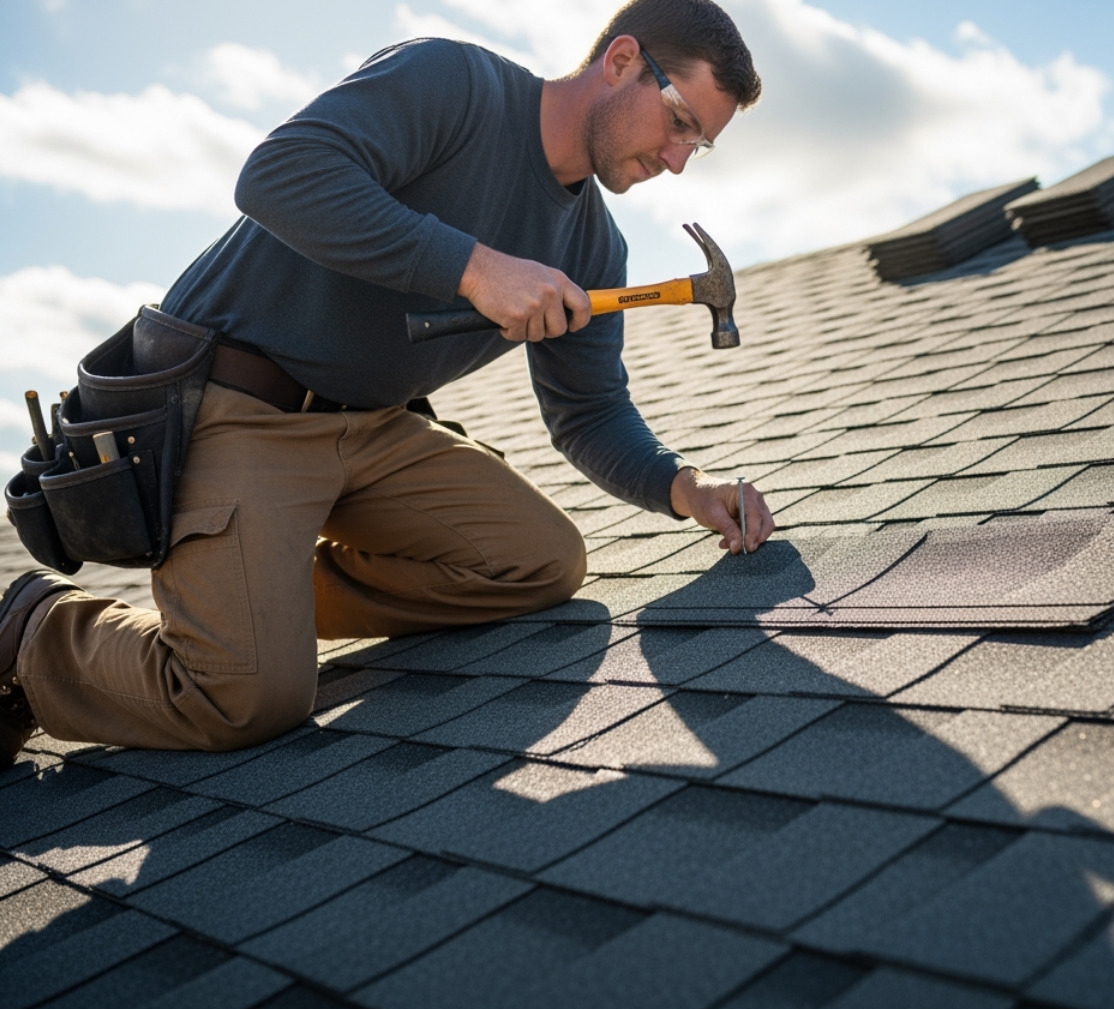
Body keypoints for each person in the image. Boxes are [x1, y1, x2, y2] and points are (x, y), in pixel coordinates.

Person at [0, 0, 773, 766]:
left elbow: (591, 413)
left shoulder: (594, 250)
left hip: (373, 429)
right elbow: (276, 176)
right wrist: (474, 269)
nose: (677, 160)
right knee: (242, 698)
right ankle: (32, 629)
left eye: (697, 146)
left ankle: (250, 592)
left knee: (543, 562)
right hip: (238, 407)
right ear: (620, 61)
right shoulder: (454, 82)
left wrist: (686, 488)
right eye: (679, 120)